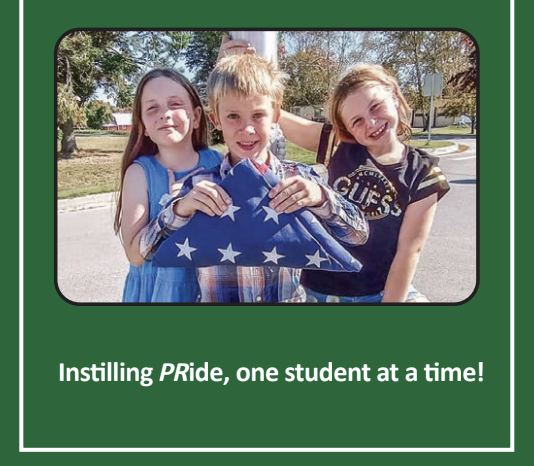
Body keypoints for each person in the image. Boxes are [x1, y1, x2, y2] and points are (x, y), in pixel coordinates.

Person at [146, 54, 369, 303]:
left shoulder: (300, 179)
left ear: (275, 115)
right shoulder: (200, 186)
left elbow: (358, 234)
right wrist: (182, 208)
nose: (247, 128)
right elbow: (148, 249)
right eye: (233, 116)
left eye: (258, 115)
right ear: (215, 119)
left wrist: (320, 198)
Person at [279, 63, 450, 302]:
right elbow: (273, 113)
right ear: (346, 129)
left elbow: (409, 251)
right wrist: (235, 61)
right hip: (321, 290)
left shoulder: (424, 172)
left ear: (393, 96)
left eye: (376, 107)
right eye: (356, 121)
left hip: (380, 292)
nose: (370, 122)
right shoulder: (339, 146)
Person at [113, 69, 222, 302]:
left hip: (212, 289)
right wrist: (176, 210)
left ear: (195, 117)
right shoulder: (140, 173)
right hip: (159, 293)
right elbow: (134, 254)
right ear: (142, 125)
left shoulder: (218, 163)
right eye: (152, 108)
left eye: (175, 104)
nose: (165, 114)